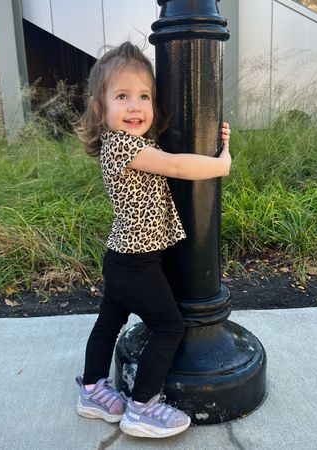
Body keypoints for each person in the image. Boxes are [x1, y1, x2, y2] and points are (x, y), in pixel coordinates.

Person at [74, 41, 231, 439]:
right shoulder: (123, 145)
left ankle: (92, 389)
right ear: (100, 108)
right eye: (122, 97)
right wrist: (221, 163)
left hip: (125, 257)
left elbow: (168, 147)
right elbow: (177, 164)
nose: (135, 107)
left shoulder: (135, 143)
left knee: (109, 323)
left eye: (144, 96)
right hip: (136, 262)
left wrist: (215, 132)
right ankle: (142, 406)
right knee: (169, 327)